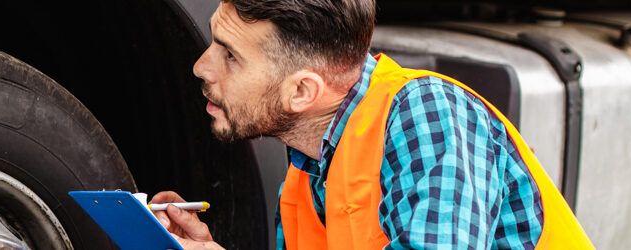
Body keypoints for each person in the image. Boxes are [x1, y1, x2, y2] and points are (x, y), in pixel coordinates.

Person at [150, 0, 594, 249]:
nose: (201, 67)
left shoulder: (427, 114)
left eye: (230, 55)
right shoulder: (306, 175)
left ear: (302, 91)